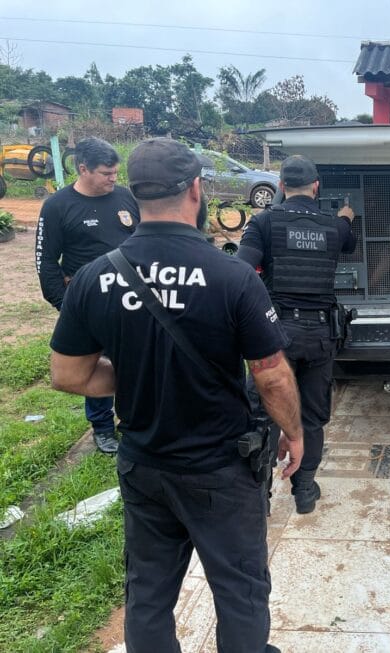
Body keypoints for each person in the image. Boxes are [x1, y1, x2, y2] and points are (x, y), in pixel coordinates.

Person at [48, 138, 304, 653]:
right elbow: (272, 376)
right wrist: (295, 434)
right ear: (195, 190)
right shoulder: (232, 276)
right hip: (219, 469)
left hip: (144, 465)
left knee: (148, 592)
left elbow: (68, 375)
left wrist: (137, 371)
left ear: (133, 194)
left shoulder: (95, 276)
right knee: (240, 591)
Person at [237, 154, 356, 514]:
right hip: (320, 334)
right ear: (316, 186)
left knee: (264, 413)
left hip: (275, 334)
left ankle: (260, 495)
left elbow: (241, 271)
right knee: (312, 417)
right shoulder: (335, 226)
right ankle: (304, 491)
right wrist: (346, 217)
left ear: (280, 186)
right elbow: (349, 242)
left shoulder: (264, 222)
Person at [35, 137, 140, 454]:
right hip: (90, 302)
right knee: (97, 362)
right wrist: (66, 305)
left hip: (133, 298)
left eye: (115, 172)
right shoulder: (58, 206)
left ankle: (135, 418)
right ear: (83, 169)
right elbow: (46, 261)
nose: (113, 179)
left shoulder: (125, 197)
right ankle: (103, 427)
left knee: (134, 359)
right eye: (106, 173)